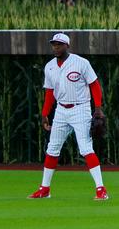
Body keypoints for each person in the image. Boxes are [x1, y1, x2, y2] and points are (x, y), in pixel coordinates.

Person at [27, 32, 108, 201]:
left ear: (67, 46)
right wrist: (44, 114)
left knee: (86, 148)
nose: (55, 47)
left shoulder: (81, 63)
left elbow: (95, 85)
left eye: (59, 44)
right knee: (52, 148)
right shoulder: (49, 66)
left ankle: (101, 189)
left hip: (81, 109)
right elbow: (49, 93)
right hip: (61, 111)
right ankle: (45, 189)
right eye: (54, 44)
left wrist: (98, 108)